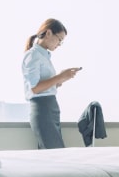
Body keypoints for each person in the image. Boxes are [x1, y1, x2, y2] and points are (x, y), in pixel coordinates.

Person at [22, 18, 81, 149]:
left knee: (52, 155)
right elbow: (35, 88)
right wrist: (59, 76)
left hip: (50, 107)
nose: (60, 44)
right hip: (43, 108)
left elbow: (46, 86)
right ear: (48, 33)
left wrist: (62, 78)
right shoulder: (33, 55)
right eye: (60, 39)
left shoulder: (43, 56)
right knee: (56, 155)